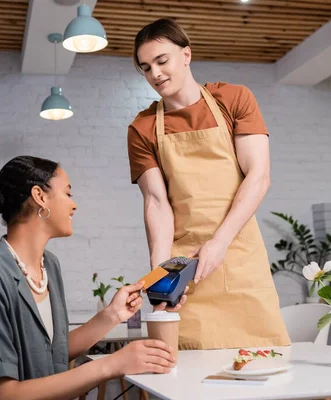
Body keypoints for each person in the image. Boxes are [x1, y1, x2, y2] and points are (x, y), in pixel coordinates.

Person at [0, 155, 176, 400]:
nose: (74, 204)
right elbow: (4, 394)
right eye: (68, 194)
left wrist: (112, 315)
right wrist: (111, 365)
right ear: (40, 196)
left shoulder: (49, 264)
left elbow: (53, 353)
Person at [127, 19, 290, 350]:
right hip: (187, 273)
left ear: (186, 55)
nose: (155, 74)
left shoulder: (233, 99)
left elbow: (258, 176)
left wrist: (219, 241)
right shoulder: (142, 128)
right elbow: (156, 204)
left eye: (162, 61)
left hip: (239, 254)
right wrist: (160, 276)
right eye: (146, 68)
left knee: (262, 365)